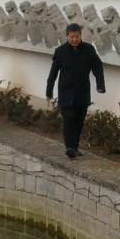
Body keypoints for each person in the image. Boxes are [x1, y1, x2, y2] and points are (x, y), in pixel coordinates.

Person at [44, 22, 106, 159]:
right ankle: (70, 147)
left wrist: (100, 85)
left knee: (79, 121)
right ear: (67, 36)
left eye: (76, 36)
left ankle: (75, 147)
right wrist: (49, 91)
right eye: (71, 37)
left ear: (80, 36)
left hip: (82, 93)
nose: (74, 39)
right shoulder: (60, 51)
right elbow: (53, 73)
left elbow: (97, 67)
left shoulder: (89, 50)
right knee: (69, 120)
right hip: (66, 92)